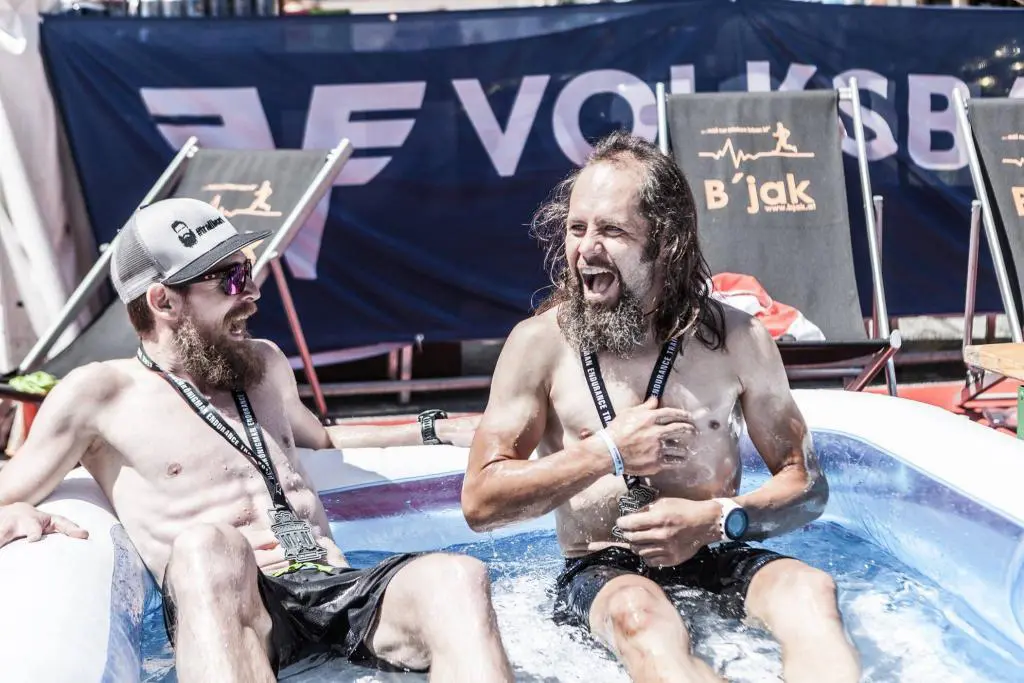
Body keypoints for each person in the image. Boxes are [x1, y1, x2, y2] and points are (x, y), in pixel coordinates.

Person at [0, 198, 512, 683]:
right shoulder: (99, 394)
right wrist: (12, 513)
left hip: (332, 583)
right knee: (208, 544)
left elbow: (321, 439)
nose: (252, 293)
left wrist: (435, 428)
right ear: (163, 300)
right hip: (235, 604)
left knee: (457, 577)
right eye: (231, 279)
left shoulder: (263, 363)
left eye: (247, 270)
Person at [461, 132, 860, 683]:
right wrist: (609, 452)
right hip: (603, 567)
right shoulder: (539, 345)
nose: (586, 248)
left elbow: (807, 486)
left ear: (665, 241)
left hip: (716, 545)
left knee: (811, 590)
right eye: (577, 228)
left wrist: (717, 518)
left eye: (611, 231)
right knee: (640, 617)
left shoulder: (738, 340)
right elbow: (479, 503)